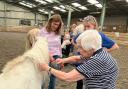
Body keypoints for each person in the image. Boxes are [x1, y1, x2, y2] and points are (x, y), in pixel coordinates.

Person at [38, 30, 118, 89]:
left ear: (91, 48)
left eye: (81, 47)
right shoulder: (99, 52)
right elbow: (77, 58)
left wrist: (47, 68)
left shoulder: (97, 60)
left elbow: (68, 77)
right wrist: (63, 60)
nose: (78, 50)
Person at [72, 15, 119, 89]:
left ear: (94, 26)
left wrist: (102, 51)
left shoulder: (99, 35)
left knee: (91, 82)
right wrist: (79, 47)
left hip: (94, 64)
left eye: (88, 26)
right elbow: (73, 40)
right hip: (81, 61)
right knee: (79, 83)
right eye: (85, 27)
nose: (86, 29)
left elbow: (115, 46)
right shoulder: (82, 34)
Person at [38, 14, 63, 89]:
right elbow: (41, 45)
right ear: (50, 22)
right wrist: (50, 56)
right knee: (43, 75)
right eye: (54, 24)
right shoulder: (42, 31)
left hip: (56, 55)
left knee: (54, 76)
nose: (56, 26)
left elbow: (59, 45)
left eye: (58, 25)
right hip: (45, 55)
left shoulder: (57, 33)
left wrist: (61, 58)